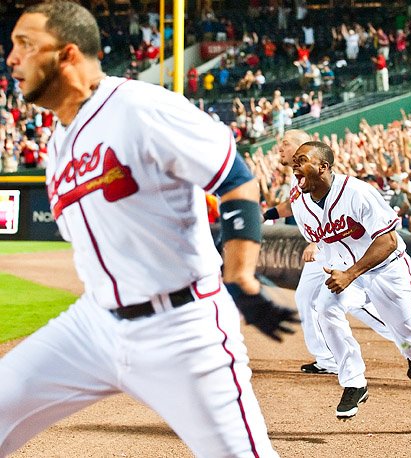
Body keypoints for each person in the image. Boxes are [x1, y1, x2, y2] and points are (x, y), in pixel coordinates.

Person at [0, 3, 298, 456]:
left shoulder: (140, 107)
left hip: (182, 327)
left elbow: (236, 180)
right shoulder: (58, 143)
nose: (11, 58)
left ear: (68, 54)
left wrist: (240, 276)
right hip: (94, 324)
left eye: (25, 44)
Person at [289, 140, 411, 433]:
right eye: (294, 161)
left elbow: (388, 241)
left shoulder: (357, 192)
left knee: (409, 339)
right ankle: (354, 382)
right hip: (350, 273)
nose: (294, 166)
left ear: (323, 167)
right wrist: (336, 268)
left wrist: (350, 273)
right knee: (325, 308)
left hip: (387, 270)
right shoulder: (299, 202)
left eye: (301, 160)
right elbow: (324, 239)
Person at [262, 130, 411, 378]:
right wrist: (268, 214)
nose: (280, 149)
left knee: (353, 305)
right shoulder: (297, 177)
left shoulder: (324, 179)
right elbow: (295, 206)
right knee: (311, 299)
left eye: (286, 144)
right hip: (325, 248)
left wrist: (316, 241)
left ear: (305, 147)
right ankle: (328, 358)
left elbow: (331, 215)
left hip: (335, 250)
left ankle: (407, 347)